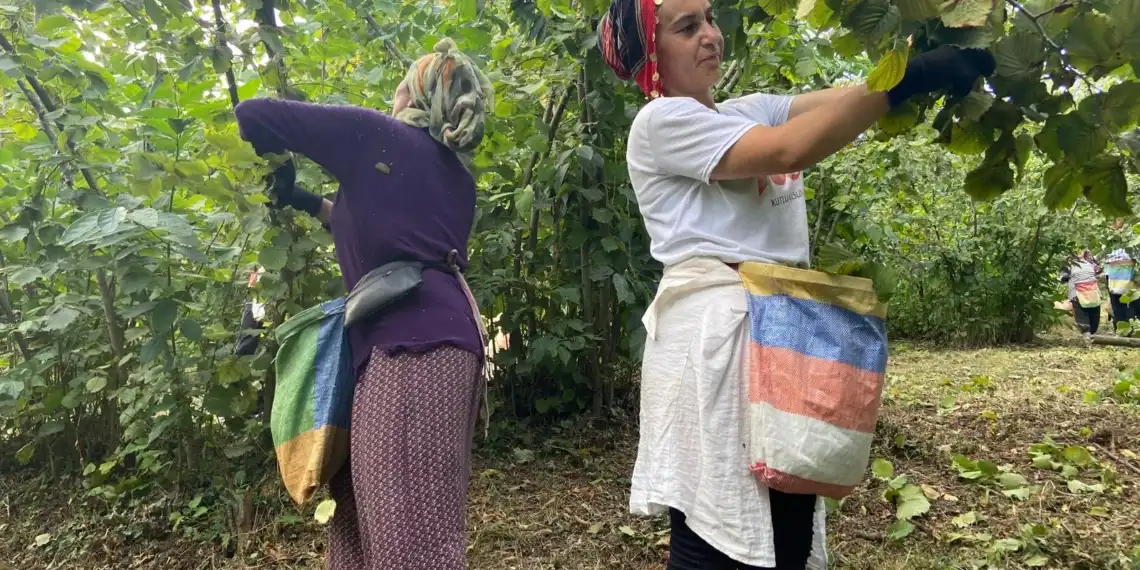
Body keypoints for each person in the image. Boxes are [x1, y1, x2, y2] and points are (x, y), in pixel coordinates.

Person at [597, 0, 995, 567]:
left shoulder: (748, 110)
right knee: (718, 532)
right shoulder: (661, 122)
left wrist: (914, 54)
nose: (710, 35)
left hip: (779, 330)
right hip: (718, 343)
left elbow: (845, 101)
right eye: (686, 27)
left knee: (787, 514)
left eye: (709, 18)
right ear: (651, 56)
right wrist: (917, 75)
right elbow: (791, 147)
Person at [233, 38, 492, 569]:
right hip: (429, 341)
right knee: (361, 525)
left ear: (416, 93)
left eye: (399, 86)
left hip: (411, 348)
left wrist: (279, 155)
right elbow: (378, 231)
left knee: (410, 540)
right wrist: (305, 199)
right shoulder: (452, 175)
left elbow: (254, 114)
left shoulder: (378, 136)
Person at [1060, 251, 1103, 337]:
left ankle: (1091, 334)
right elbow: (1062, 276)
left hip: (1093, 293)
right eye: (1075, 249)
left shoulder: (1092, 261)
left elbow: (1100, 271)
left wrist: (1100, 275)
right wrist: (1065, 276)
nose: (1078, 251)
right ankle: (1086, 335)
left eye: (1081, 249)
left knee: (1094, 317)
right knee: (1081, 316)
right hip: (1076, 294)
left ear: (1085, 250)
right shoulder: (1068, 264)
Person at [1104, 248, 1139, 335]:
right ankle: (1128, 332)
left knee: (1118, 310)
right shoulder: (1132, 250)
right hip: (1127, 287)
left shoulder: (1111, 251)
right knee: (1128, 310)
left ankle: (1121, 332)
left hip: (1114, 285)